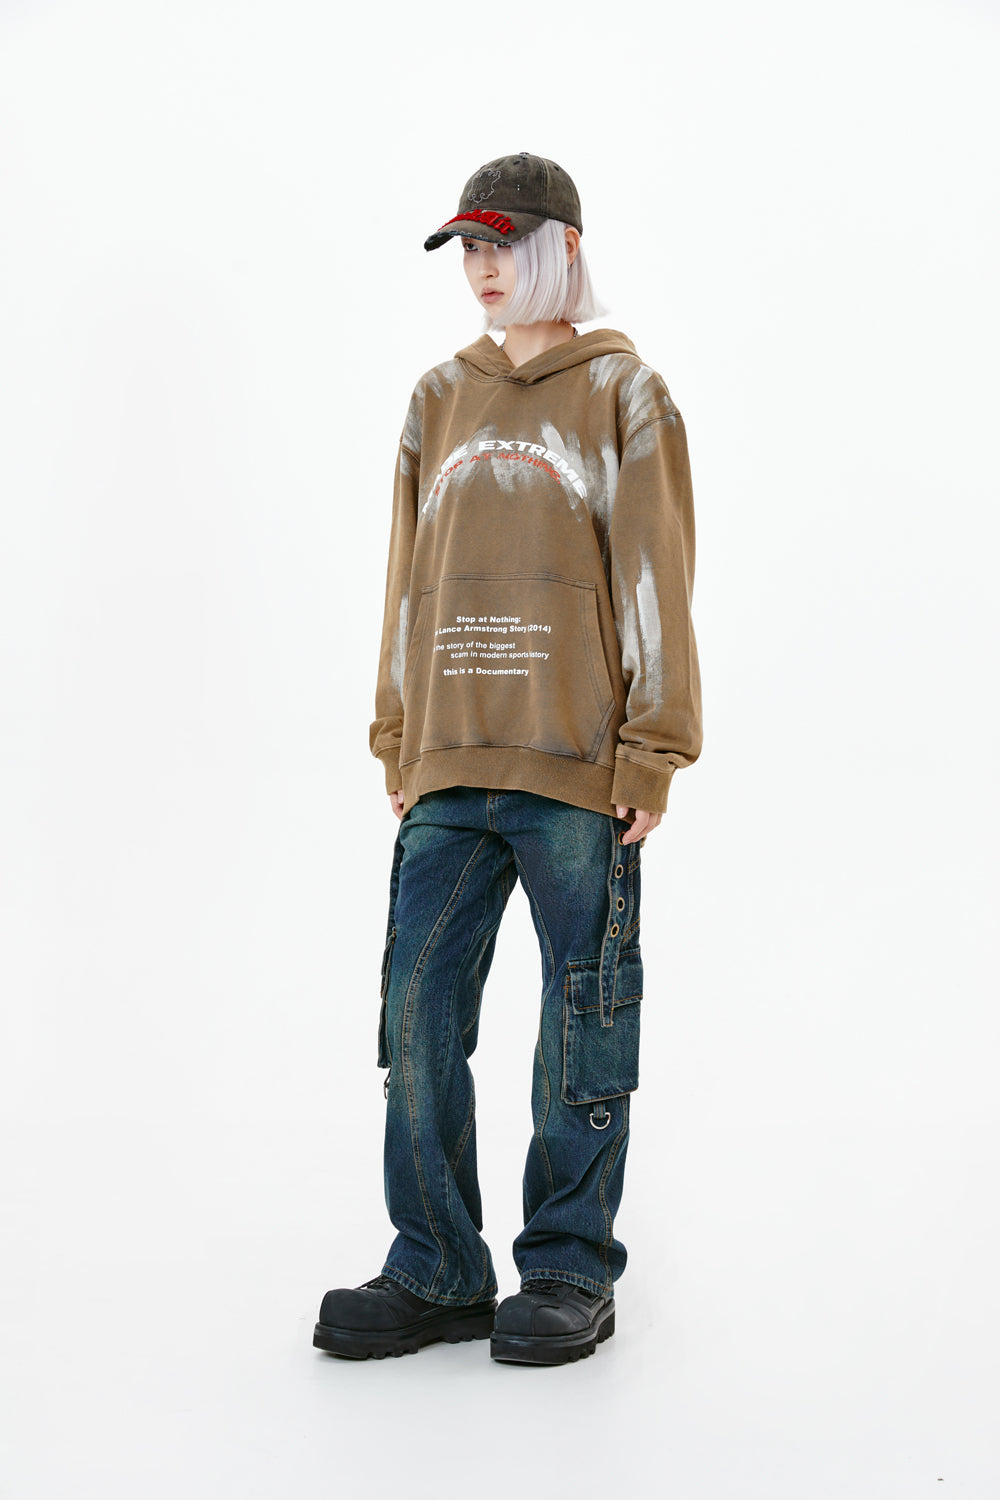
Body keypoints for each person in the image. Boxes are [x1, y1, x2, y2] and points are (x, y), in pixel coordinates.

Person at [313, 152, 702, 1365]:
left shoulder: (624, 392)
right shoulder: (438, 397)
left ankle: (569, 1267)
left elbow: (656, 576)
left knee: (582, 1022)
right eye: (469, 249)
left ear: (561, 247)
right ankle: (436, 1265)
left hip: (576, 765)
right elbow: (407, 575)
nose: (482, 268)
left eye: (502, 244)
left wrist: (653, 748)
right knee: (415, 1013)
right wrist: (397, 728)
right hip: (446, 762)